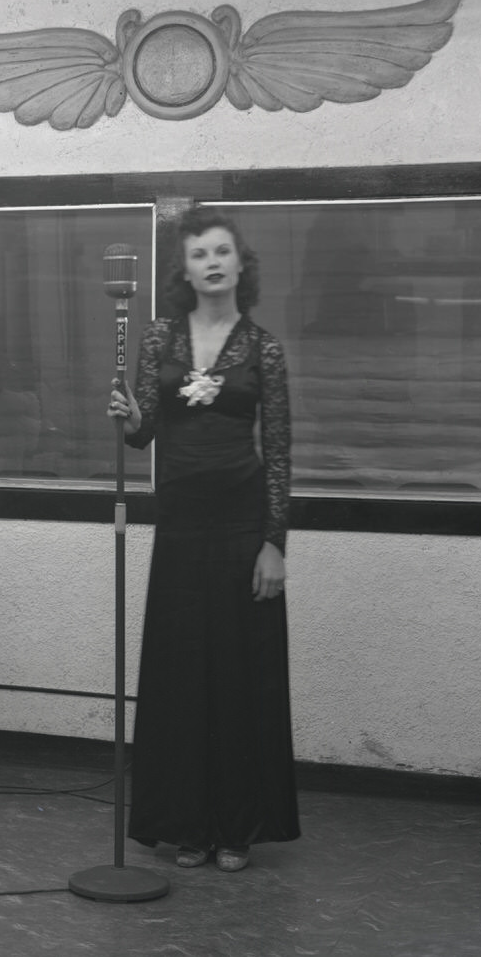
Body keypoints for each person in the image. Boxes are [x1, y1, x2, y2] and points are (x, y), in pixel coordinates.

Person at [108, 209, 299, 873]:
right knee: (183, 673)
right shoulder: (158, 337)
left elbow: (278, 455)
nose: (212, 262)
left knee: (239, 677)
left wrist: (274, 544)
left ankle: (236, 827)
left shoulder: (264, 347)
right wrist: (132, 418)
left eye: (223, 251)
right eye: (199, 253)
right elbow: (143, 431)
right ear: (184, 269)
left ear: (241, 265)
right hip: (181, 523)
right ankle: (187, 824)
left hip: (243, 525)